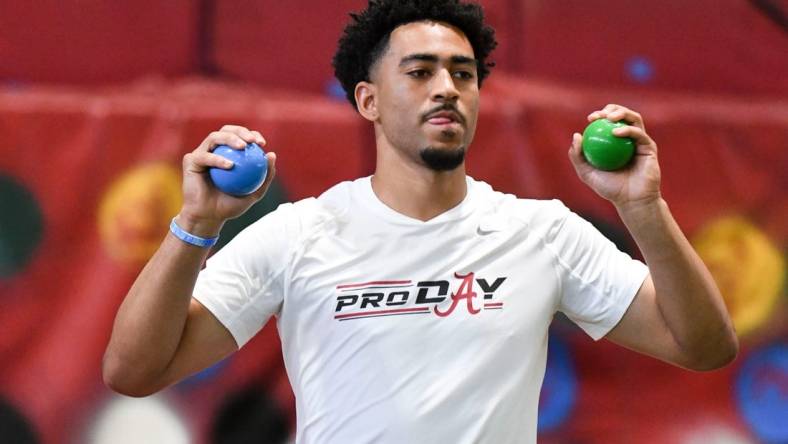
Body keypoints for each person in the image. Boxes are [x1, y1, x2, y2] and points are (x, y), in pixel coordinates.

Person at [103, 0, 738, 442]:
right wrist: (195, 226)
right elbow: (133, 371)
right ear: (368, 100)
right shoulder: (299, 234)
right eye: (421, 72)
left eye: (463, 74)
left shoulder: (543, 232)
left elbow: (703, 347)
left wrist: (642, 209)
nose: (447, 88)